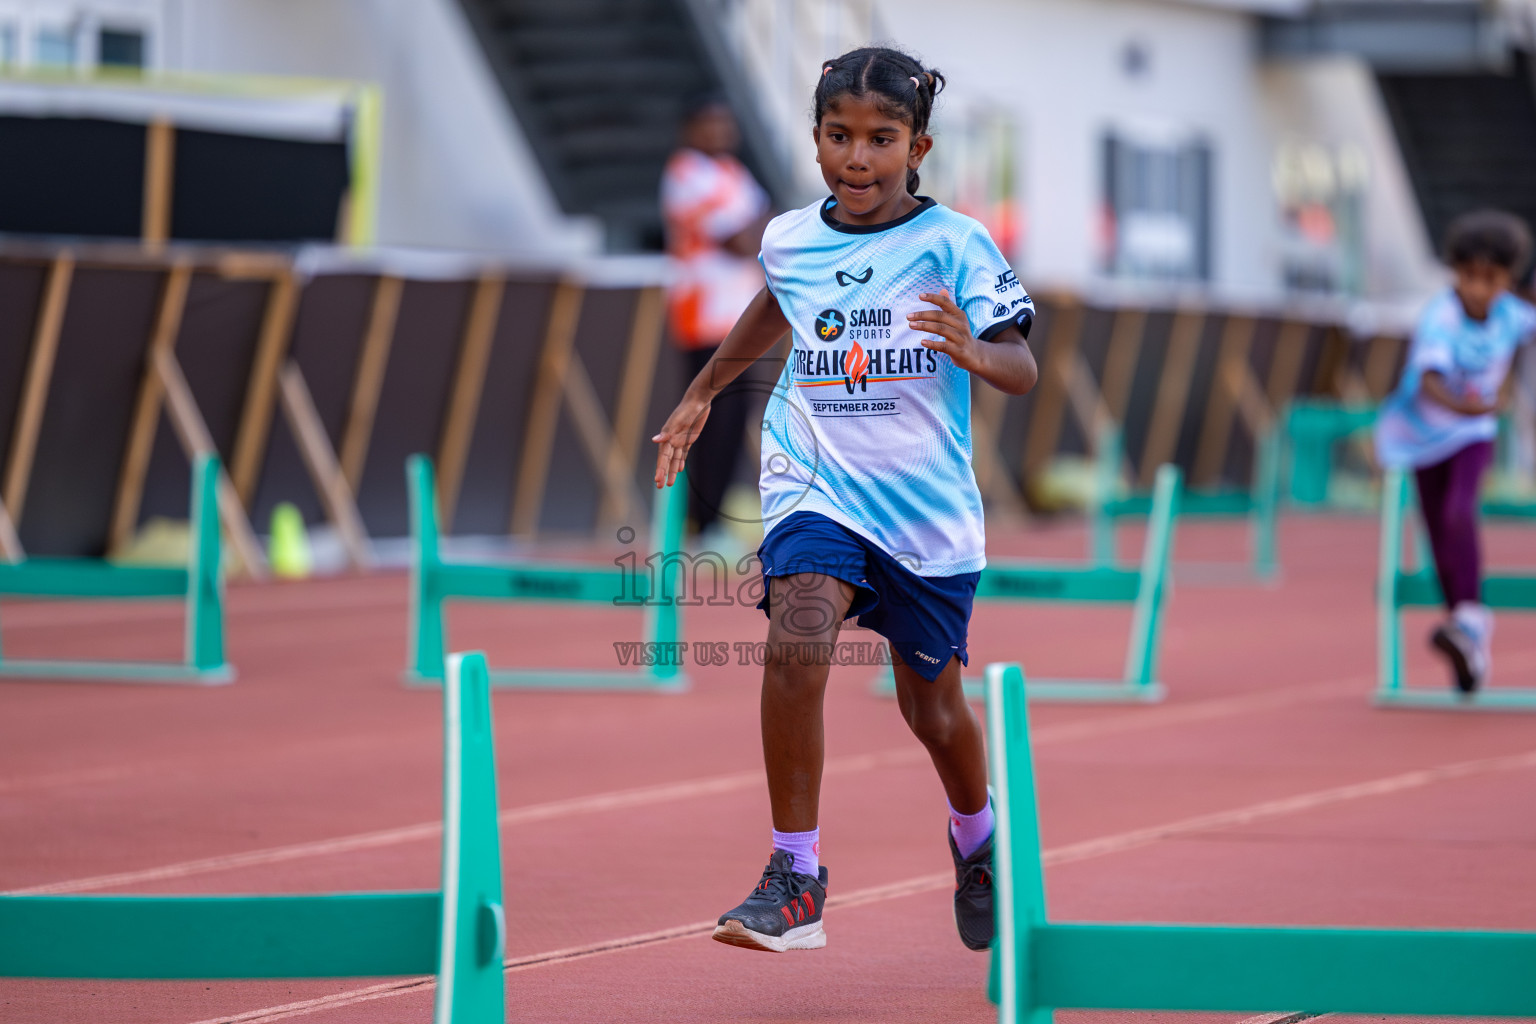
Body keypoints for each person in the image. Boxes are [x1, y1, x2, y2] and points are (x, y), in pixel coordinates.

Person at [652, 46, 1038, 953]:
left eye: (880, 139)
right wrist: (705, 391)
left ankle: (977, 841)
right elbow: (776, 304)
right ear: (815, 139)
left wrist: (976, 353)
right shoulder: (790, 237)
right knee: (798, 631)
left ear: (919, 147)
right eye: (837, 137)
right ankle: (796, 873)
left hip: (924, 511)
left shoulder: (954, 243)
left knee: (933, 713)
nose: (856, 159)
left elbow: (1021, 366)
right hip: (814, 482)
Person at [1376, 209, 1536, 693]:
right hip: (1424, 431)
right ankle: (1464, 630)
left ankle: (1470, 621)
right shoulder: (1440, 317)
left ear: (1507, 278)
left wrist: (1505, 387)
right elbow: (1428, 380)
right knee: (1436, 532)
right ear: (1455, 274)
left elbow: (1524, 334)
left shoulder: (1512, 313)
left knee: (1458, 511)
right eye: (1469, 277)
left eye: (1491, 279)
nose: (1479, 290)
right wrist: (1465, 408)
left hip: (1472, 435)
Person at [660, 95, 773, 544]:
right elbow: (741, 240)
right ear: (691, 130)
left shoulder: (732, 173)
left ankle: (714, 517)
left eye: (726, 123)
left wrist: (759, 228)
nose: (722, 133)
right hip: (701, 314)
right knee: (708, 417)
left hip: (739, 314)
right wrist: (758, 228)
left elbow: (768, 224)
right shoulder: (684, 173)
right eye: (711, 124)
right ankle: (699, 524)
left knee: (735, 413)